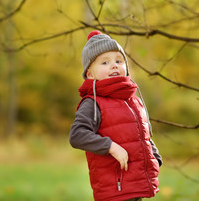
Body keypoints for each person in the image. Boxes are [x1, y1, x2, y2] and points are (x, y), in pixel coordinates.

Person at [69, 30, 162, 201]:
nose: (114, 65)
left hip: (136, 185)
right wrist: (111, 147)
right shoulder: (93, 102)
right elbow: (77, 135)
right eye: (105, 62)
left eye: (119, 61)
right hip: (114, 188)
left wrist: (155, 157)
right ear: (90, 74)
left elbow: (143, 135)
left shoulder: (133, 100)